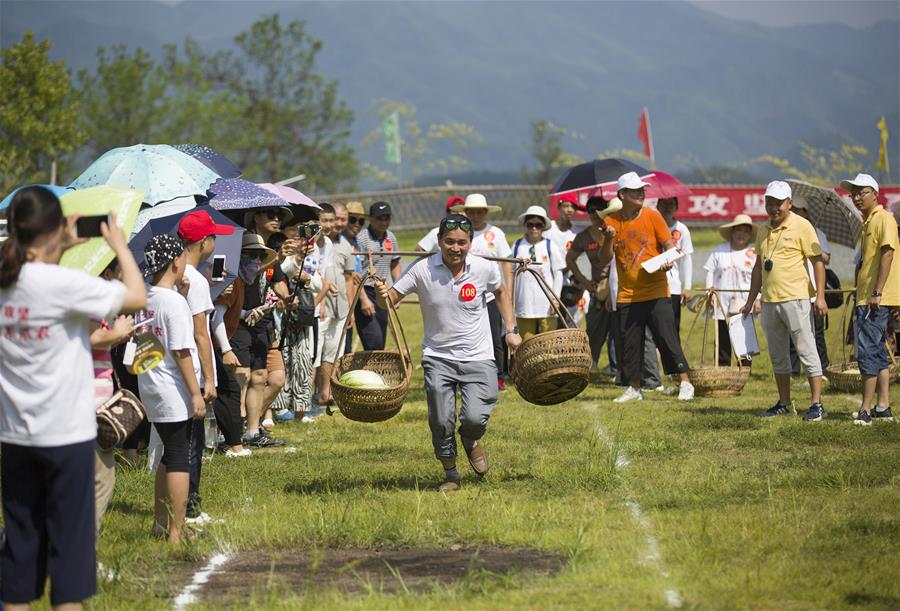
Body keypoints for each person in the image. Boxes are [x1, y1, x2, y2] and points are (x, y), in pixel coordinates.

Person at [0, 186, 145, 609]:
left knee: (19, 556)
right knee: (70, 564)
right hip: (65, 437)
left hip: (14, 436)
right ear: (59, 228)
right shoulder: (64, 283)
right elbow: (135, 296)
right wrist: (119, 246)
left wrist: (58, 249)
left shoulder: (6, 281)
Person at [374, 214, 522, 491]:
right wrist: (383, 294)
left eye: (462, 243)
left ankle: (471, 439)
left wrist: (510, 328)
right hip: (438, 356)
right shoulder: (421, 269)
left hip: (479, 356)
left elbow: (501, 292)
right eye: (449, 242)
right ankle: (451, 473)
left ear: (471, 242)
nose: (456, 248)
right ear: (439, 241)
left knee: (476, 418)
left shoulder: (483, 267)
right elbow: (390, 301)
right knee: (441, 420)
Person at [598, 172, 694, 403]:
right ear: (622, 195)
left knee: (667, 338)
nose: (641, 193)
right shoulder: (610, 223)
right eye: (635, 191)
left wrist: (668, 259)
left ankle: (685, 382)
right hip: (628, 294)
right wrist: (609, 238)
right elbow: (603, 258)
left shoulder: (653, 216)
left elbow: (669, 244)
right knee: (631, 344)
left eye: (642, 190)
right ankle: (635, 388)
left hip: (656, 290)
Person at [137, 234, 206, 544]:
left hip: (151, 385)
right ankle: (177, 532)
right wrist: (195, 392)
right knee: (179, 456)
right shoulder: (175, 302)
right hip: (173, 389)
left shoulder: (146, 297)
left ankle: (160, 524)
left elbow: (152, 343)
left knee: (168, 453)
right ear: (176, 261)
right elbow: (181, 351)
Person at [740, 181, 828, 420]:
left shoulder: (803, 226)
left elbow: (818, 262)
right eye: (770, 202)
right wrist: (751, 300)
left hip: (797, 299)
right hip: (769, 301)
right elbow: (759, 266)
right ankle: (785, 402)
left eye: (778, 203)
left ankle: (817, 404)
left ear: (789, 203)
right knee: (778, 355)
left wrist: (819, 296)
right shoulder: (762, 229)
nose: (774, 207)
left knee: (807, 350)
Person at [176, 210, 234, 524]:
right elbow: (201, 332)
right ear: (202, 242)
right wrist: (209, 379)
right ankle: (190, 508)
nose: (215, 242)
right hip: (193, 371)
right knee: (191, 444)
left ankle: (178, 505)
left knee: (177, 442)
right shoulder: (195, 280)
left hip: (171, 370)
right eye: (213, 237)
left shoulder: (171, 273)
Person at [212, 232, 279, 449]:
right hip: (215, 345)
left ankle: (232, 437)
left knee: (230, 389)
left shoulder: (239, 281)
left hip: (221, 342)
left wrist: (246, 313)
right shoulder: (231, 281)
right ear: (239, 257)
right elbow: (216, 317)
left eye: (260, 256)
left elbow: (229, 311)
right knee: (230, 390)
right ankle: (227, 439)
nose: (257, 262)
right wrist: (225, 349)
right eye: (252, 255)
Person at [842, 173, 899, 425]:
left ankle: (865, 410)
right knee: (876, 353)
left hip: (875, 298)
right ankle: (883, 406)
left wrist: (876, 291)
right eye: (853, 193)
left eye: (861, 192)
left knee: (866, 354)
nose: (856, 197)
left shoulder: (883, 218)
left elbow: (888, 253)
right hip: (869, 296)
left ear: (875, 193)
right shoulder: (868, 222)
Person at [449, 194, 514, 390]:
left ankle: (497, 376)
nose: (476, 215)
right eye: (472, 211)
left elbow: (506, 265)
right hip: (463, 295)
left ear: (485, 212)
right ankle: (463, 377)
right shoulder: (460, 233)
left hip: (491, 294)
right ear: (465, 212)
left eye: (479, 211)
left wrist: (508, 291)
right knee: (463, 336)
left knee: (494, 337)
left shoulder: (496, 234)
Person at [704, 215, 760, 365]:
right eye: (738, 230)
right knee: (722, 340)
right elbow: (710, 272)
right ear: (732, 232)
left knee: (744, 339)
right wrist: (709, 293)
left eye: (746, 231)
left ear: (750, 234)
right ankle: (723, 369)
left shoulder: (754, 253)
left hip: (745, 304)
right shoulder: (719, 251)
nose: (741, 234)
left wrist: (758, 299)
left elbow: (759, 277)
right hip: (721, 304)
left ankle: (745, 370)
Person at [566, 196, 614, 367]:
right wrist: (584, 281)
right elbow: (570, 259)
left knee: (617, 331)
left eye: (598, 209)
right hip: (596, 289)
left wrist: (612, 288)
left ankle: (617, 368)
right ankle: (591, 363)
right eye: (590, 210)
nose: (594, 213)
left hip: (617, 286)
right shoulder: (584, 237)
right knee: (593, 329)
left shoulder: (613, 230)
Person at [317, 203, 355, 406]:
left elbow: (349, 278)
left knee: (334, 352)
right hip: (321, 306)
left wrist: (350, 308)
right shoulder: (315, 245)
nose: (332, 225)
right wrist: (321, 301)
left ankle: (326, 394)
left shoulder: (344, 245)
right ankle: (310, 397)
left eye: (333, 220)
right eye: (327, 220)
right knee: (317, 352)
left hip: (340, 306)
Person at [788, 196, 831, 373]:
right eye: (793, 210)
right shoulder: (788, 231)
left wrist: (812, 248)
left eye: (798, 210)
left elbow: (826, 258)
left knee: (817, 333)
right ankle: (793, 370)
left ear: (805, 212)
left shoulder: (818, 233)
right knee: (794, 332)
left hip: (814, 290)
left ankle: (823, 368)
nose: (794, 213)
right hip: (795, 290)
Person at [511, 205, 565, 339]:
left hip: (547, 305)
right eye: (530, 225)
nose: (534, 229)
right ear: (525, 226)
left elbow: (558, 274)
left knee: (549, 343)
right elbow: (510, 274)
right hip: (524, 304)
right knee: (526, 344)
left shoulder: (550, 245)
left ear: (543, 227)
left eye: (538, 225)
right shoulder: (517, 245)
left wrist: (555, 298)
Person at [354, 201, 401, 350]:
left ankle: (373, 372)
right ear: (370, 219)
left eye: (386, 218)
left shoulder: (391, 238)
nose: (383, 222)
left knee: (380, 340)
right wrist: (363, 299)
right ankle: (369, 371)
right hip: (365, 291)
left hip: (382, 291)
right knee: (373, 340)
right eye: (379, 218)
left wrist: (397, 291)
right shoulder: (362, 238)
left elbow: (394, 264)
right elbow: (355, 272)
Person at [655, 197, 693, 339]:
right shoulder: (651, 226)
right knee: (655, 328)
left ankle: (672, 361)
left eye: (671, 204)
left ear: (676, 207)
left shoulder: (681, 229)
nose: (667, 207)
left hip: (673, 287)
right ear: (658, 206)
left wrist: (687, 286)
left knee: (672, 327)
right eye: (663, 203)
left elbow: (687, 258)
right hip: (652, 286)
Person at [544, 194, 581, 323]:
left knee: (571, 321)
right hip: (548, 280)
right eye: (566, 206)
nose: (570, 210)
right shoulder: (547, 229)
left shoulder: (577, 233)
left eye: (573, 207)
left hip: (569, 283)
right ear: (559, 208)